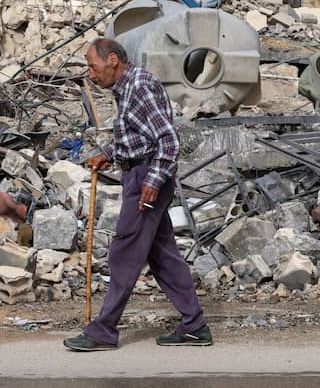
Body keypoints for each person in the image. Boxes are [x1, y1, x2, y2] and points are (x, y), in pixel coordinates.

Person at [63, 38, 212, 352]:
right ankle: (194, 325)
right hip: (139, 173)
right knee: (163, 256)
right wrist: (111, 152)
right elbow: (139, 135)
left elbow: (168, 141)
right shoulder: (127, 87)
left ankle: (103, 330)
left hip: (146, 178)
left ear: (113, 59)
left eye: (93, 65)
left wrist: (153, 182)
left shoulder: (140, 86)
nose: (90, 74)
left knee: (124, 254)